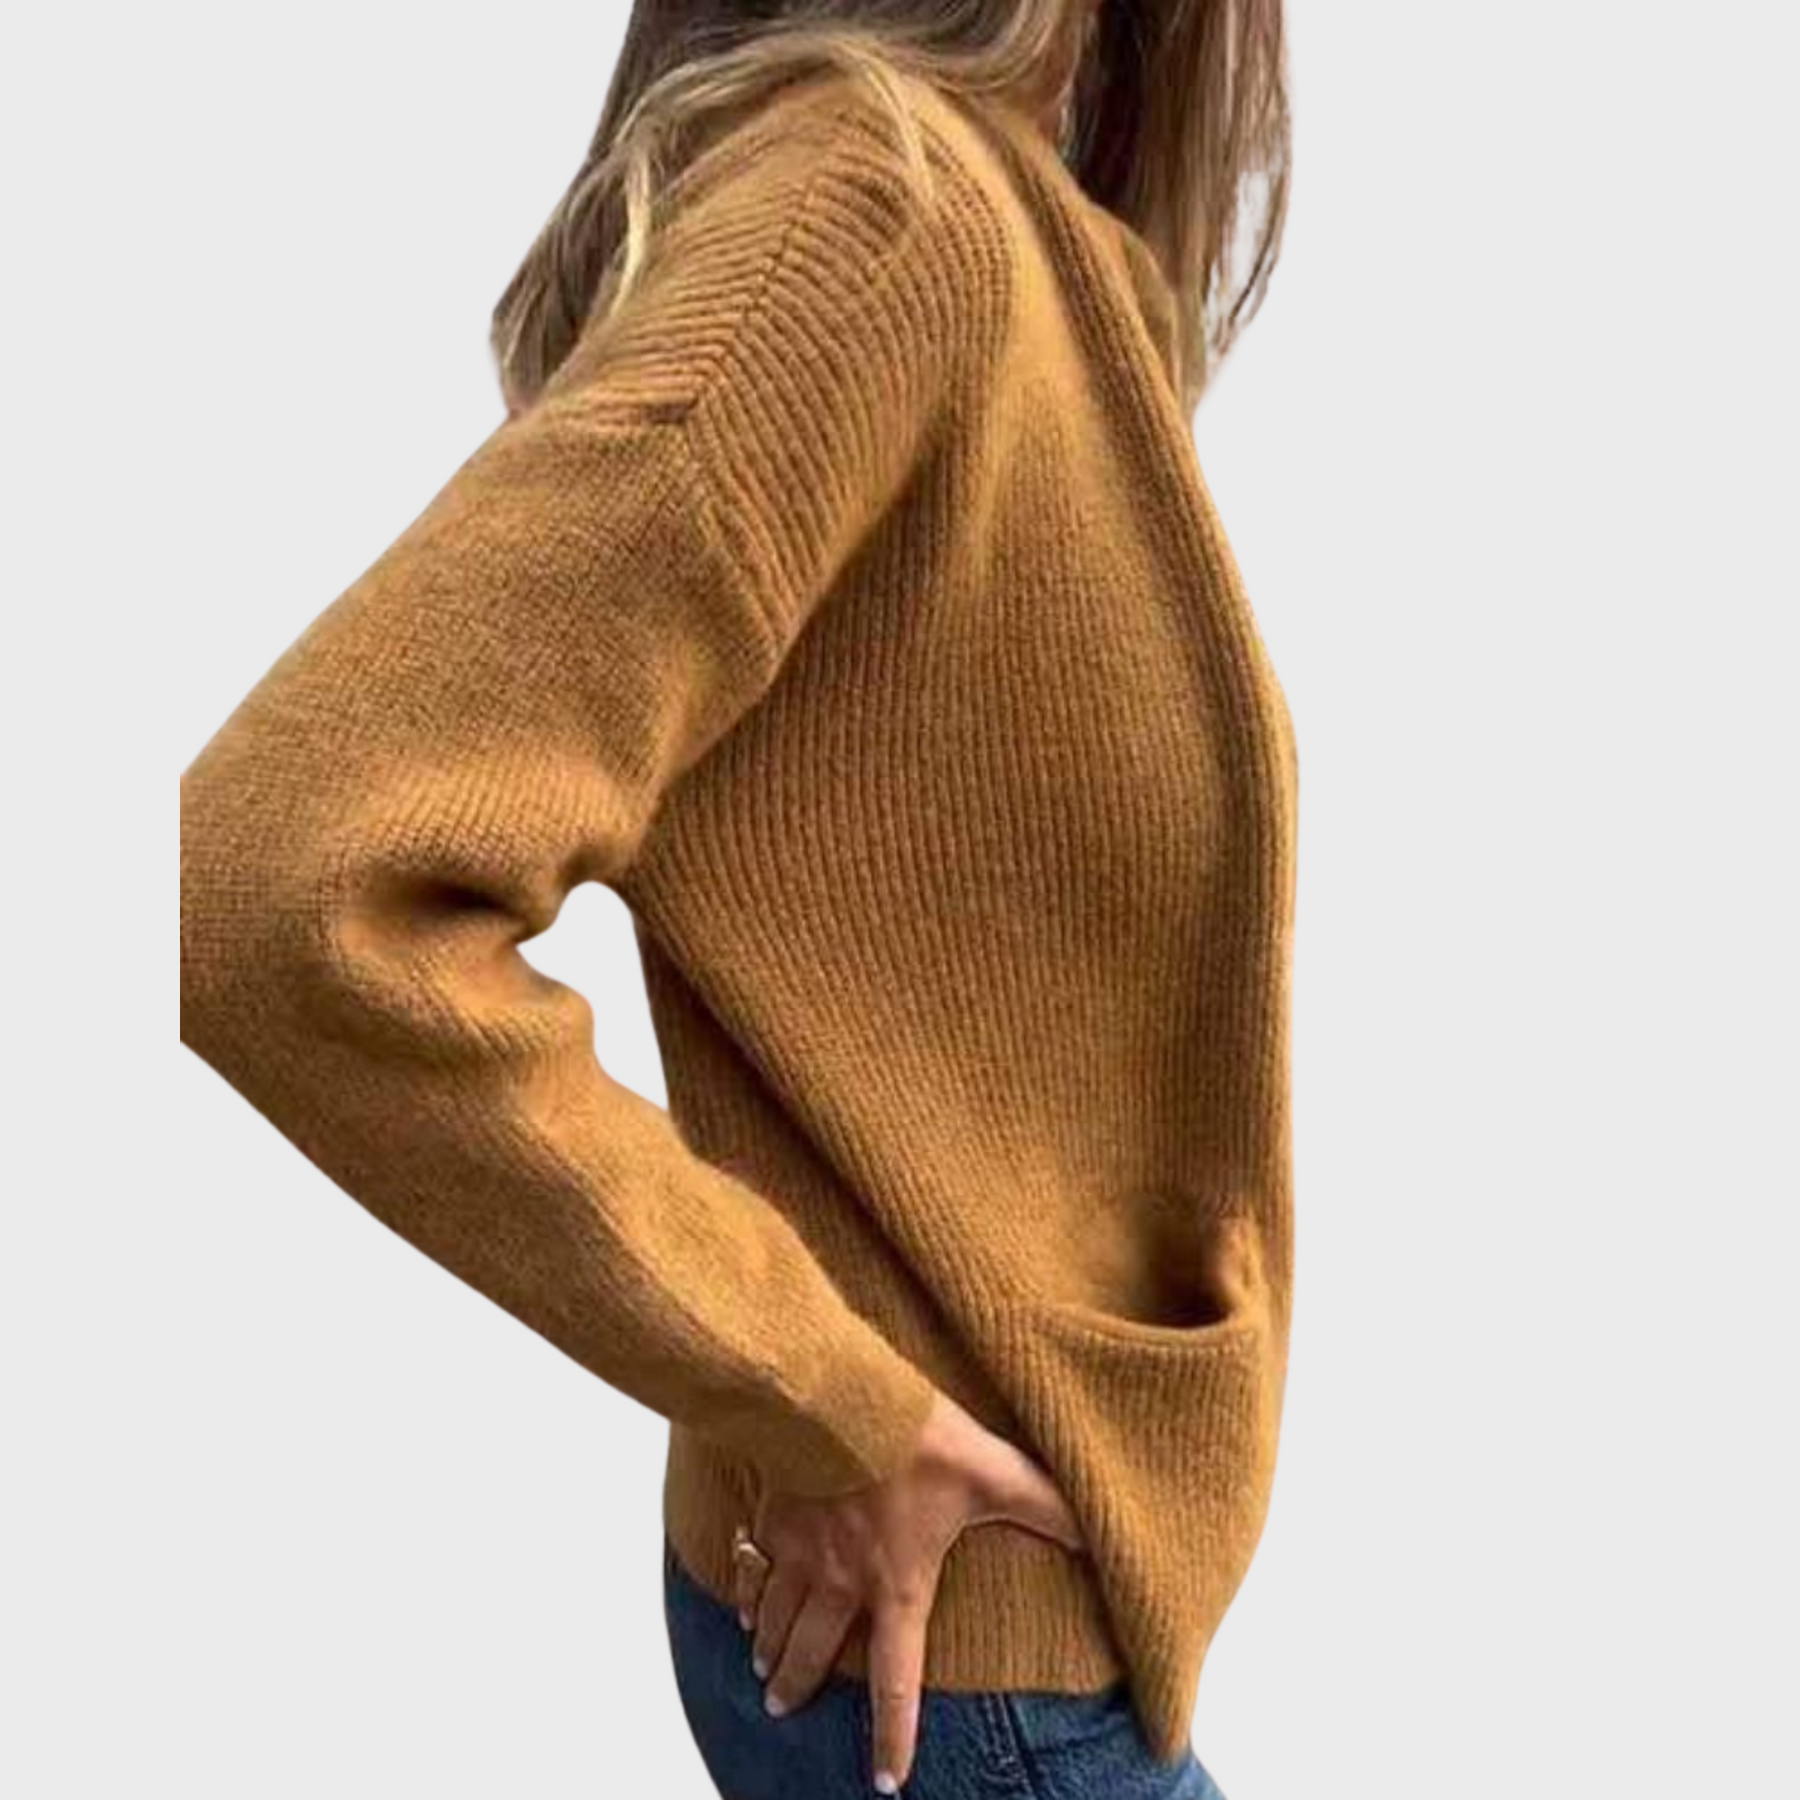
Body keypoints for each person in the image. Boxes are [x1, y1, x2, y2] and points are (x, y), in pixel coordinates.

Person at [178, 2, 1296, 1795]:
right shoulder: (877, 218)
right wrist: (825, 1400)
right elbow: (278, 879)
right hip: (971, 1681)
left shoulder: (991, 225)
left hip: (958, 1632)